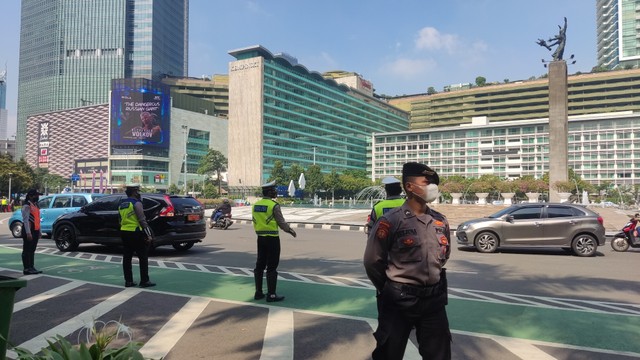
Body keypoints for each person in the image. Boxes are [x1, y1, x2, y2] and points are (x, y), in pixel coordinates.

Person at [364, 162, 452, 360]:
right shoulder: (391, 221)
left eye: (433, 182)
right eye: (426, 182)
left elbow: (444, 256)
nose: (432, 187)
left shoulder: (440, 220)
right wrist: (389, 288)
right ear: (409, 187)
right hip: (399, 301)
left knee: (440, 354)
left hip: (433, 301)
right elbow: (372, 261)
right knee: (389, 353)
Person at [252, 180, 297, 302]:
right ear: (269, 192)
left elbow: (255, 220)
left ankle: (258, 292)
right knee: (272, 266)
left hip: (260, 238)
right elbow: (281, 222)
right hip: (272, 239)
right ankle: (271, 295)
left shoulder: (256, 205)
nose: (276, 192)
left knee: (259, 265)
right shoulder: (274, 205)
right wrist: (290, 231)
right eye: (274, 190)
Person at [119, 184, 155, 288]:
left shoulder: (122, 204)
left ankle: (128, 281)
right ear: (134, 192)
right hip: (136, 232)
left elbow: (120, 219)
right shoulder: (137, 203)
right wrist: (149, 235)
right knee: (143, 257)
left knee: (127, 257)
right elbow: (142, 221)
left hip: (124, 232)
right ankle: (144, 281)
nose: (139, 193)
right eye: (138, 191)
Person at [22, 189, 43, 275]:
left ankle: (31, 266)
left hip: (35, 230)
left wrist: (40, 231)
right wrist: (28, 233)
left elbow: (38, 219)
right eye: (36, 195)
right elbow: (26, 220)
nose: (37, 197)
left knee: (32, 249)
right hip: (29, 231)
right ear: (30, 196)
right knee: (27, 250)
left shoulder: (36, 205)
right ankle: (27, 268)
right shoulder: (27, 206)